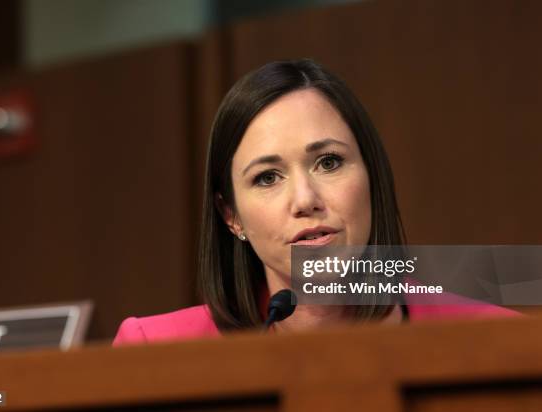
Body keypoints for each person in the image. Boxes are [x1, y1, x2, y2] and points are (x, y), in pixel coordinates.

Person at [113, 59, 518, 345]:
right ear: (231, 215)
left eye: (329, 162)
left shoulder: (498, 338)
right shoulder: (156, 348)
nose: (305, 200)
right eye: (267, 177)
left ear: (372, 176)